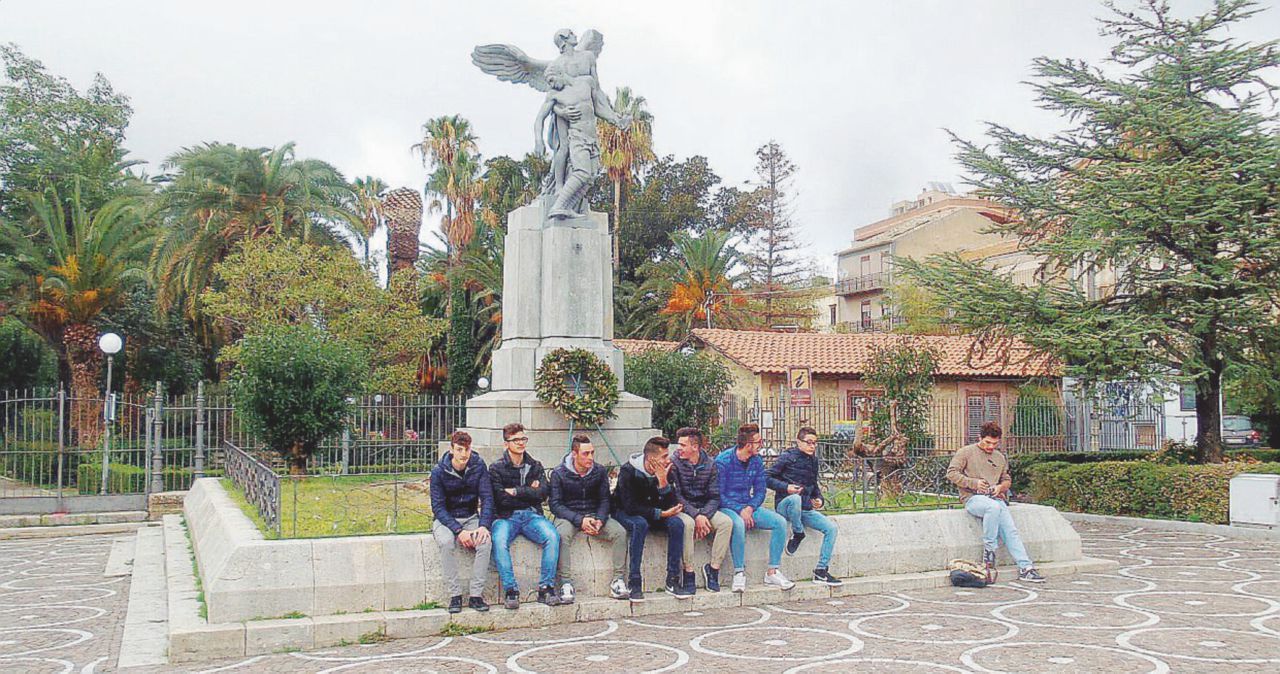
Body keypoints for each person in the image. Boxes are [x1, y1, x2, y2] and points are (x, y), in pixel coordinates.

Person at [946, 421, 1046, 584]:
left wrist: (1000, 488)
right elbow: (951, 473)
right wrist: (974, 483)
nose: (990, 446)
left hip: (995, 498)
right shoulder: (965, 452)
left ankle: (1026, 568)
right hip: (973, 498)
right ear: (980, 438)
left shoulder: (999, 457)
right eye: (987, 442)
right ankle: (989, 550)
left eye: (994, 443)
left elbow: (1006, 479)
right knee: (992, 508)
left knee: (1010, 530)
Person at [548, 434, 630, 602]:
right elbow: (555, 505)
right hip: (569, 516)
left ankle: (618, 580)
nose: (590, 457)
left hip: (594, 514)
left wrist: (600, 519)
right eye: (586, 454)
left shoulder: (599, 471)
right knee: (562, 535)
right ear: (574, 454)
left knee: (620, 532)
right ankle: (565, 583)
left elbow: (605, 499)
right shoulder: (559, 473)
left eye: (592, 452)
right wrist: (579, 520)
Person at [490, 423, 562, 609]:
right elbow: (500, 499)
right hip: (506, 516)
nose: (521, 443)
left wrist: (515, 491)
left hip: (531, 515)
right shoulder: (496, 468)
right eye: (516, 440)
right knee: (499, 540)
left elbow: (543, 493)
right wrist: (529, 491)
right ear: (506, 444)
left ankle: (546, 587)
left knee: (552, 536)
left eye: (523, 439)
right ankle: (511, 590)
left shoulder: (535, 465)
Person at [716, 423, 795, 592]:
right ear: (748, 445)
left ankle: (773, 571)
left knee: (779, 522)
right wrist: (740, 509)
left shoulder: (757, 461)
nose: (761, 444)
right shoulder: (723, 461)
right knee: (737, 524)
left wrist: (750, 508)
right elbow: (718, 495)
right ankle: (739, 573)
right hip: (728, 506)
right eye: (758, 442)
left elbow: (760, 490)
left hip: (748, 505)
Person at [613, 436, 691, 601]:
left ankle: (672, 580)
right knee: (639, 525)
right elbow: (630, 506)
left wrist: (663, 482)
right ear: (651, 459)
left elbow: (672, 503)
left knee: (677, 523)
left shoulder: (667, 470)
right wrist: (660, 514)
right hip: (627, 512)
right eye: (663, 456)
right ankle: (634, 581)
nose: (667, 459)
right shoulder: (628, 471)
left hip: (655, 512)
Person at [767, 426, 842, 586]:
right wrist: (786, 487)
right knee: (795, 499)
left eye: (815, 443)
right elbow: (767, 477)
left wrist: (819, 499)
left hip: (804, 509)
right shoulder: (787, 457)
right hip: (785, 505)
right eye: (809, 442)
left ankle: (821, 570)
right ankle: (798, 533)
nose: (812, 446)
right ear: (798, 442)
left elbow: (813, 485)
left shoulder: (813, 460)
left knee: (831, 528)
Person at [429, 431, 494, 614]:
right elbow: (438, 507)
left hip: (471, 517)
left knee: (485, 542)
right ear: (451, 450)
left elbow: (487, 498)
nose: (463, 454)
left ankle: (476, 595)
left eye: (467, 450)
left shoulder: (478, 466)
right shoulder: (439, 471)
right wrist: (458, 531)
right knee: (446, 543)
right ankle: (455, 595)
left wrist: (484, 525)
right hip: (446, 519)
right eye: (459, 449)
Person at [670, 427, 734, 593]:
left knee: (726, 523)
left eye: (683, 445)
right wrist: (696, 515)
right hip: (683, 508)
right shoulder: (674, 463)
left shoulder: (710, 464)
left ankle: (713, 569)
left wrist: (703, 515)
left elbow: (715, 496)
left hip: (705, 509)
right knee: (688, 525)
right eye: (679, 444)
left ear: (695, 447)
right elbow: (676, 496)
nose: (679, 448)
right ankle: (688, 572)